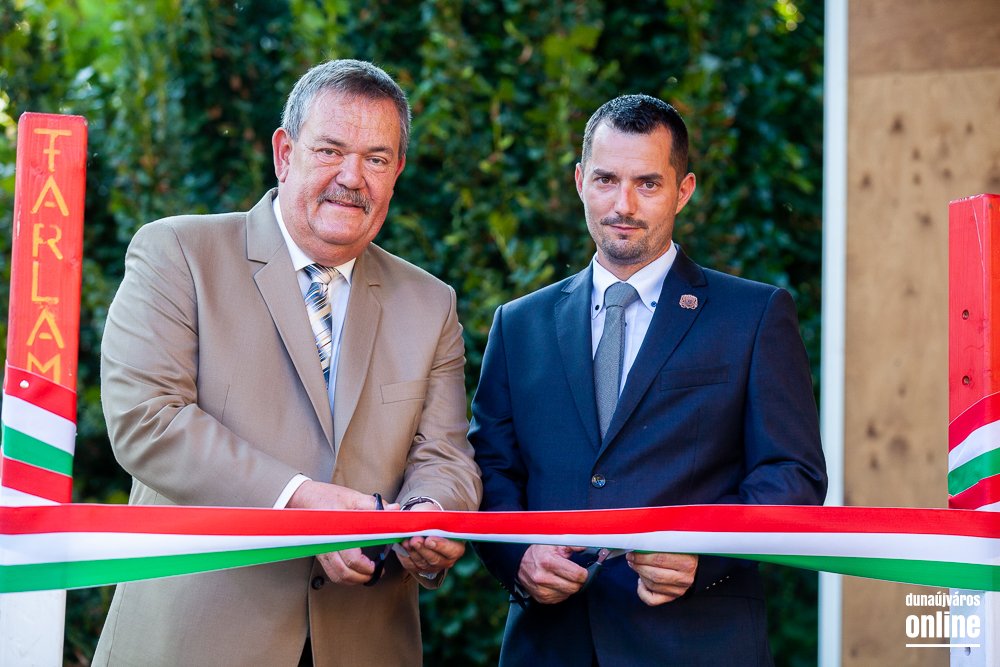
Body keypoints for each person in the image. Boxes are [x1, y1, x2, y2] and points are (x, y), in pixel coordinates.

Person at [94, 60, 481, 667]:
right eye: (330, 150)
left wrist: (429, 514)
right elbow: (148, 421)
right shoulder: (179, 253)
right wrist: (301, 503)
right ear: (283, 152)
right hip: (198, 642)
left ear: (397, 172)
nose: (352, 177)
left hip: (366, 642)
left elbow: (445, 456)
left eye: (377, 159)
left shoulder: (431, 303)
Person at [470, 94, 827, 666]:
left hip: (695, 643)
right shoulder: (519, 324)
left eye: (648, 184)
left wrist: (703, 553)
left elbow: (793, 475)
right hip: (551, 645)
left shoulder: (754, 316)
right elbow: (491, 466)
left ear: (683, 190)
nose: (624, 204)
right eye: (606, 180)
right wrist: (518, 557)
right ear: (580, 181)